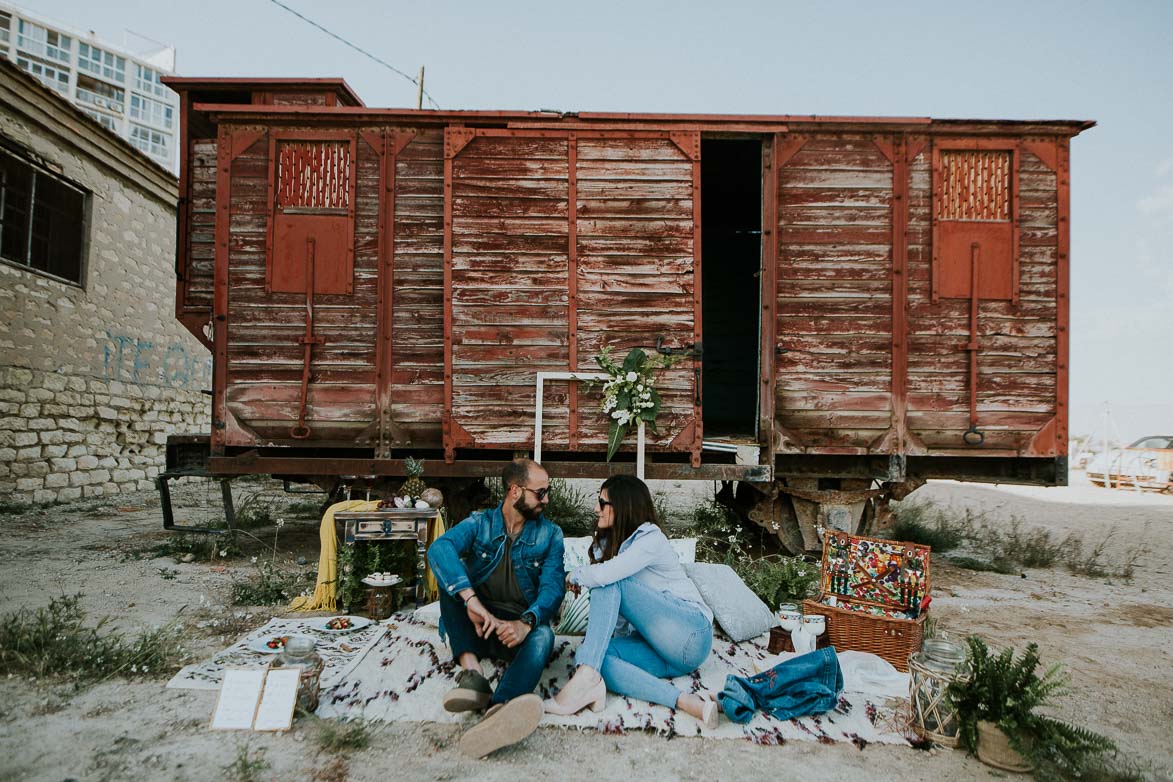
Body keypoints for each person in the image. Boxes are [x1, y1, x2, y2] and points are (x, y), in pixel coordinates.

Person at [542, 475, 719, 728]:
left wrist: (575, 575)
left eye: (602, 503)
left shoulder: (650, 538)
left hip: (690, 633)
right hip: (665, 654)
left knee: (607, 581)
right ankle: (685, 702)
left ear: (623, 506)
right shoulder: (613, 547)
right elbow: (614, 614)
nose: (596, 509)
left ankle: (582, 682)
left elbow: (605, 576)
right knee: (595, 656)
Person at [426, 458, 566, 758]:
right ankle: (474, 675)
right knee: (451, 580)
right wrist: (472, 602)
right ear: (515, 491)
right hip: (477, 624)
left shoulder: (550, 534)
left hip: (515, 631)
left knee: (544, 637)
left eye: (547, 491)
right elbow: (439, 548)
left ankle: (498, 709)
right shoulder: (480, 523)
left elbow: (553, 588)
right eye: (540, 492)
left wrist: (525, 623)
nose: (547, 499)